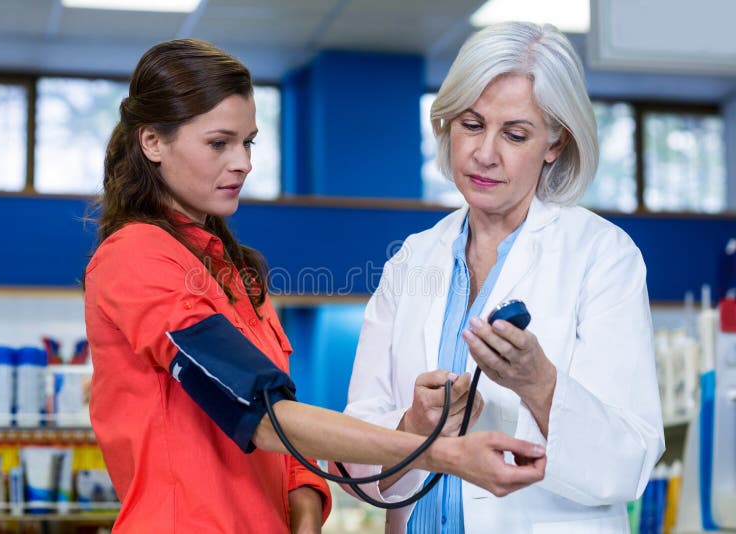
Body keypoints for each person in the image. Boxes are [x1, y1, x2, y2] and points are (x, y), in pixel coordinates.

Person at [83, 38, 549, 533]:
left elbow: (286, 439)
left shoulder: (237, 276)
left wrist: (304, 513)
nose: (242, 162)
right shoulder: (135, 257)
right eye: (219, 143)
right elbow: (260, 414)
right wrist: (440, 452)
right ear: (152, 141)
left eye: (249, 142)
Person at [337, 21, 665, 533]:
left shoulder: (603, 257)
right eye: (471, 124)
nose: (485, 153)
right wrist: (411, 428)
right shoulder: (411, 261)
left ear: (555, 143)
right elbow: (355, 446)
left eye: (515, 134)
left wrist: (540, 384)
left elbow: (630, 462)